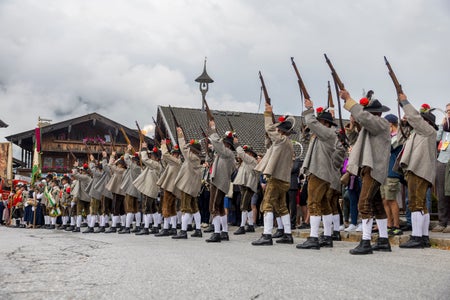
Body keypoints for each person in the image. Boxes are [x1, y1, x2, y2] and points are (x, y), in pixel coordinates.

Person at [339, 90, 391, 255]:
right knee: (376, 205)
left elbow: (365, 118)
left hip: (374, 170)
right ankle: (383, 240)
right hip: (368, 169)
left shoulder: (381, 124)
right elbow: (357, 136)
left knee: (363, 204)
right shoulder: (370, 129)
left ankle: (366, 241)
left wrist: (349, 100)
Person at [296, 103, 338, 250]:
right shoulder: (323, 135)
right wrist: (305, 131)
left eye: (320, 122)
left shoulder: (328, 133)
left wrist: (309, 109)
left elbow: (311, 122)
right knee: (324, 205)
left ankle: (313, 237)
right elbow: (306, 139)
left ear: (325, 123)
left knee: (313, 203)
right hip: (322, 173)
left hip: (319, 172)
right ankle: (327, 236)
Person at [252, 102, 295, 246]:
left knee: (267, 204)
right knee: (281, 206)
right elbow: (270, 147)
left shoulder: (282, 140)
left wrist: (268, 114)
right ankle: (287, 234)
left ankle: (267, 235)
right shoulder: (285, 142)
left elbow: (270, 128)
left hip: (276, 178)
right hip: (284, 179)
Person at [398, 99, 438, 248]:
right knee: (420, 205)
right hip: (416, 170)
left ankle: (417, 236)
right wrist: (403, 123)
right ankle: (424, 237)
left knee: (416, 204)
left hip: (419, 170)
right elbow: (401, 139)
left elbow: (416, 119)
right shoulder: (417, 134)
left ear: (426, 122)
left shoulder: (428, 131)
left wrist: (404, 102)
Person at [205, 122, 236, 243]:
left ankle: (217, 233)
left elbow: (218, 145)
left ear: (226, 145)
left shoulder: (227, 153)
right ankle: (224, 232)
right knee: (221, 209)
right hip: (218, 181)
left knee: (214, 207)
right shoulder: (222, 154)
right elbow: (215, 149)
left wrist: (213, 130)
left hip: (219, 182)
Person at [172, 127, 204, 239]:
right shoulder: (195, 159)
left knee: (185, 208)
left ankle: (183, 231)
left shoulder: (191, 157)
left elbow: (183, 148)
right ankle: (198, 230)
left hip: (187, 187)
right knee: (195, 209)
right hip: (193, 189)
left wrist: (180, 135)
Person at [381, 114, 404, 236]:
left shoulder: (398, 136)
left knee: (391, 199)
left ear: (390, 124)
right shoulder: (388, 136)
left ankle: (396, 225)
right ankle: (388, 224)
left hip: (392, 171)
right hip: (383, 171)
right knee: (384, 200)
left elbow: (388, 147)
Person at [133, 142, 162, 235]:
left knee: (146, 209)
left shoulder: (156, 164)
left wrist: (144, 149)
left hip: (149, 190)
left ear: (157, 158)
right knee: (153, 209)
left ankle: (145, 228)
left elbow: (145, 158)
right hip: (151, 189)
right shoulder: (154, 164)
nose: (151, 157)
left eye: (153, 156)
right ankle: (156, 226)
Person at [155, 140, 182, 237]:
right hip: (170, 187)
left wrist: (163, 145)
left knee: (166, 207)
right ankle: (173, 228)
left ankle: (166, 228)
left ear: (178, 155)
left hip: (171, 187)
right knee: (171, 208)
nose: (174, 155)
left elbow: (166, 155)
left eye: (175, 153)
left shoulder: (177, 161)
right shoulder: (174, 162)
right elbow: (164, 159)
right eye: (173, 153)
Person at [233, 144, 259, 235]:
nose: (245, 154)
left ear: (251, 154)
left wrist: (236, 144)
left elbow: (241, 153)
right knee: (247, 206)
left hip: (249, 185)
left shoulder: (252, 160)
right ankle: (251, 225)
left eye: (246, 152)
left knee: (243, 205)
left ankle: (242, 226)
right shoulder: (244, 162)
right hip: (244, 184)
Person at [432, 103, 450, 233]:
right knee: (441, 193)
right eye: (447, 111)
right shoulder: (444, 128)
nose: (448, 113)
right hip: (441, 161)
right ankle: (442, 221)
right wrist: (442, 127)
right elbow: (436, 139)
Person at [119, 147, 142, 234]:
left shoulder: (135, 168)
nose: (131, 161)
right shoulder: (135, 168)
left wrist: (128, 151)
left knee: (129, 209)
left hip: (131, 190)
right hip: (134, 191)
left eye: (132, 160)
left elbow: (126, 158)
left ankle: (127, 227)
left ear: (135, 161)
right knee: (135, 210)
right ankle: (138, 226)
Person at [104, 153, 127, 233]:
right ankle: (123, 225)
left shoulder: (120, 170)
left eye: (119, 164)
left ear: (122, 165)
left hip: (118, 192)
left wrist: (112, 156)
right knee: (121, 210)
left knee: (115, 209)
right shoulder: (122, 170)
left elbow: (110, 164)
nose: (118, 165)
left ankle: (113, 226)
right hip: (119, 191)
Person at [71, 162, 92, 232]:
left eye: (82, 170)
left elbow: (75, 174)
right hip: (88, 197)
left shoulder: (85, 177)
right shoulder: (89, 177)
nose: (81, 171)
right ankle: (90, 226)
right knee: (88, 212)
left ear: (84, 171)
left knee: (79, 212)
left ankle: (78, 227)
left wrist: (75, 167)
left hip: (82, 197)